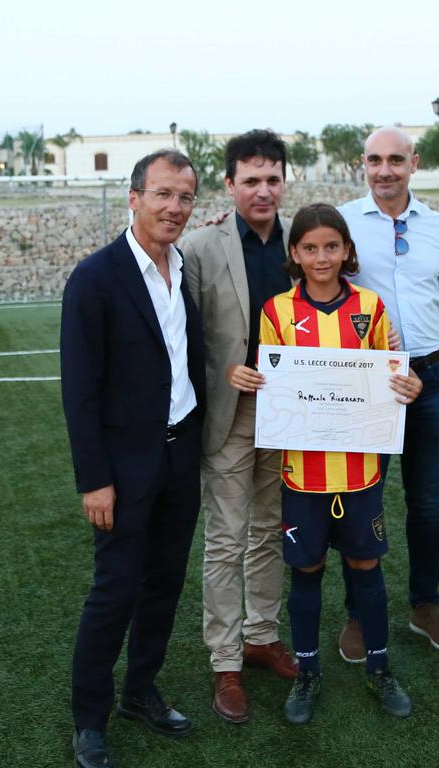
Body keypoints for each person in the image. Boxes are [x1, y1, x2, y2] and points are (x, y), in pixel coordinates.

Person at [61, 150, 205, 768]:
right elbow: (80, 390)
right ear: (134, 197)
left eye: (185, 197)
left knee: (164, 583)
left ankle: (140, 691)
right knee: (115, 590)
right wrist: (95, 480)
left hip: (180, 455)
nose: (174, 207)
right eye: (163, 194)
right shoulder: (95, 278)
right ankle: (89, 719)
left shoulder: (183, 268)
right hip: (123, 468)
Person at [251, 203, 422, 722]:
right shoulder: (277, 311)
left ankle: (379, 666)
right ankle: (307, 673)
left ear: (347, 250)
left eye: (331, 246)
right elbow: (275, 388)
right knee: (306, 570)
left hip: (359, 473)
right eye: (310, 248)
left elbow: (391, 378)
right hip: (303, 475)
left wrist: (408, 385)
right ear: (295, 254)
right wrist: (252, 380)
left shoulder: (370, 306)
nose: (321, 257)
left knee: (366, 567)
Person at [336, 126, 439, 659]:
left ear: (414, 163)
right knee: (359, 499)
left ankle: (425, 605)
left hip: (431, 378)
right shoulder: (342, 222)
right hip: (365, 379)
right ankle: (358, 612)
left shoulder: (438, 226)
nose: (385, 170)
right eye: (375, 160)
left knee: (427, 501)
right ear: (363, 164)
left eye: (396, 159)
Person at [181, 130, 297, 724]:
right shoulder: (200, 246)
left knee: (271, 529)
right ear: (230, 185)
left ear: (284, 182)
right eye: (251, 180)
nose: (263, 190)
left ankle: (261, 635)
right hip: (230, 411)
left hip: (291, 411)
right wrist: (223, 370)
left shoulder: (302, 240)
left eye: (272, 179)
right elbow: (183, 335)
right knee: (226, 538)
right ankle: (224, 660)